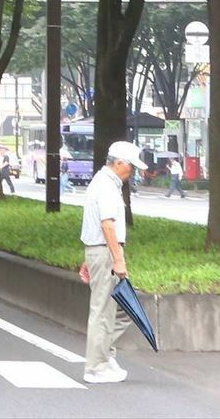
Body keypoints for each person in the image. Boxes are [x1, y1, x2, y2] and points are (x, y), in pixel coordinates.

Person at [79, 140, 142, 384]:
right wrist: (118, 260)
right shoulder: (105, 186)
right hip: (105, 252)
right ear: (119, 163)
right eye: (131, 166)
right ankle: (96, 367)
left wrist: (89, 259)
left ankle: (105, 354)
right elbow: (107, 224)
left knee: (123, 308)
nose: (133, 171)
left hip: (101, 251)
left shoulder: (105, 183)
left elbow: (95, 224)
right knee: (103, 311)